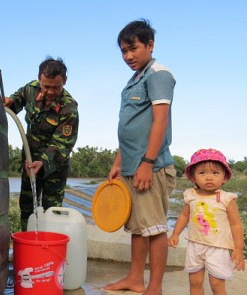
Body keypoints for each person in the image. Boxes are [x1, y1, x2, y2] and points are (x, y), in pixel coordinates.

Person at [104, 19, 177, 295]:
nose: (128, 56)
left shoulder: (159, 73)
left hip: (152, 166)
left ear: (150, 45)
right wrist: (118, 161)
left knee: (155, 228)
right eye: (123, 51)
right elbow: (132, 125)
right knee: (138, 226)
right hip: (131, 166)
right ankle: (135, 279)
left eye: (133, 49)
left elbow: (159, 121)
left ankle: (154, 287)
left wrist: (147, 163)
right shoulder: (134, 78)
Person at [4, 57, 79, 231]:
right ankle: (26, 245)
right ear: (39, 79)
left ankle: (48, 248)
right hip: (29, 162)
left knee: (52, 211)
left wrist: (43, 163)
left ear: (65, 81)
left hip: (54, 168)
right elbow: (16, 100)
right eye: (46, 86)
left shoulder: (69, 109)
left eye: (56, 87)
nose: (50, 92)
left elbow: (62, 145)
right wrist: (10, 102)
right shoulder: (30, 89)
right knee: (27, 208)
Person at [168, 148, 245, 295]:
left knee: (216, 284)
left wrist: (239, 248)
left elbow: (236, 224)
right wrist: (175, 234)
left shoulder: (227, 199)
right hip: (195, 245)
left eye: (215, 173)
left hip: (218, 247)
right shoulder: (190, 196)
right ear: (193, 177)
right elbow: (184, 216)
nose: (209, 177)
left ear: (224, 177)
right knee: (194, 281)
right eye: (202, 173)